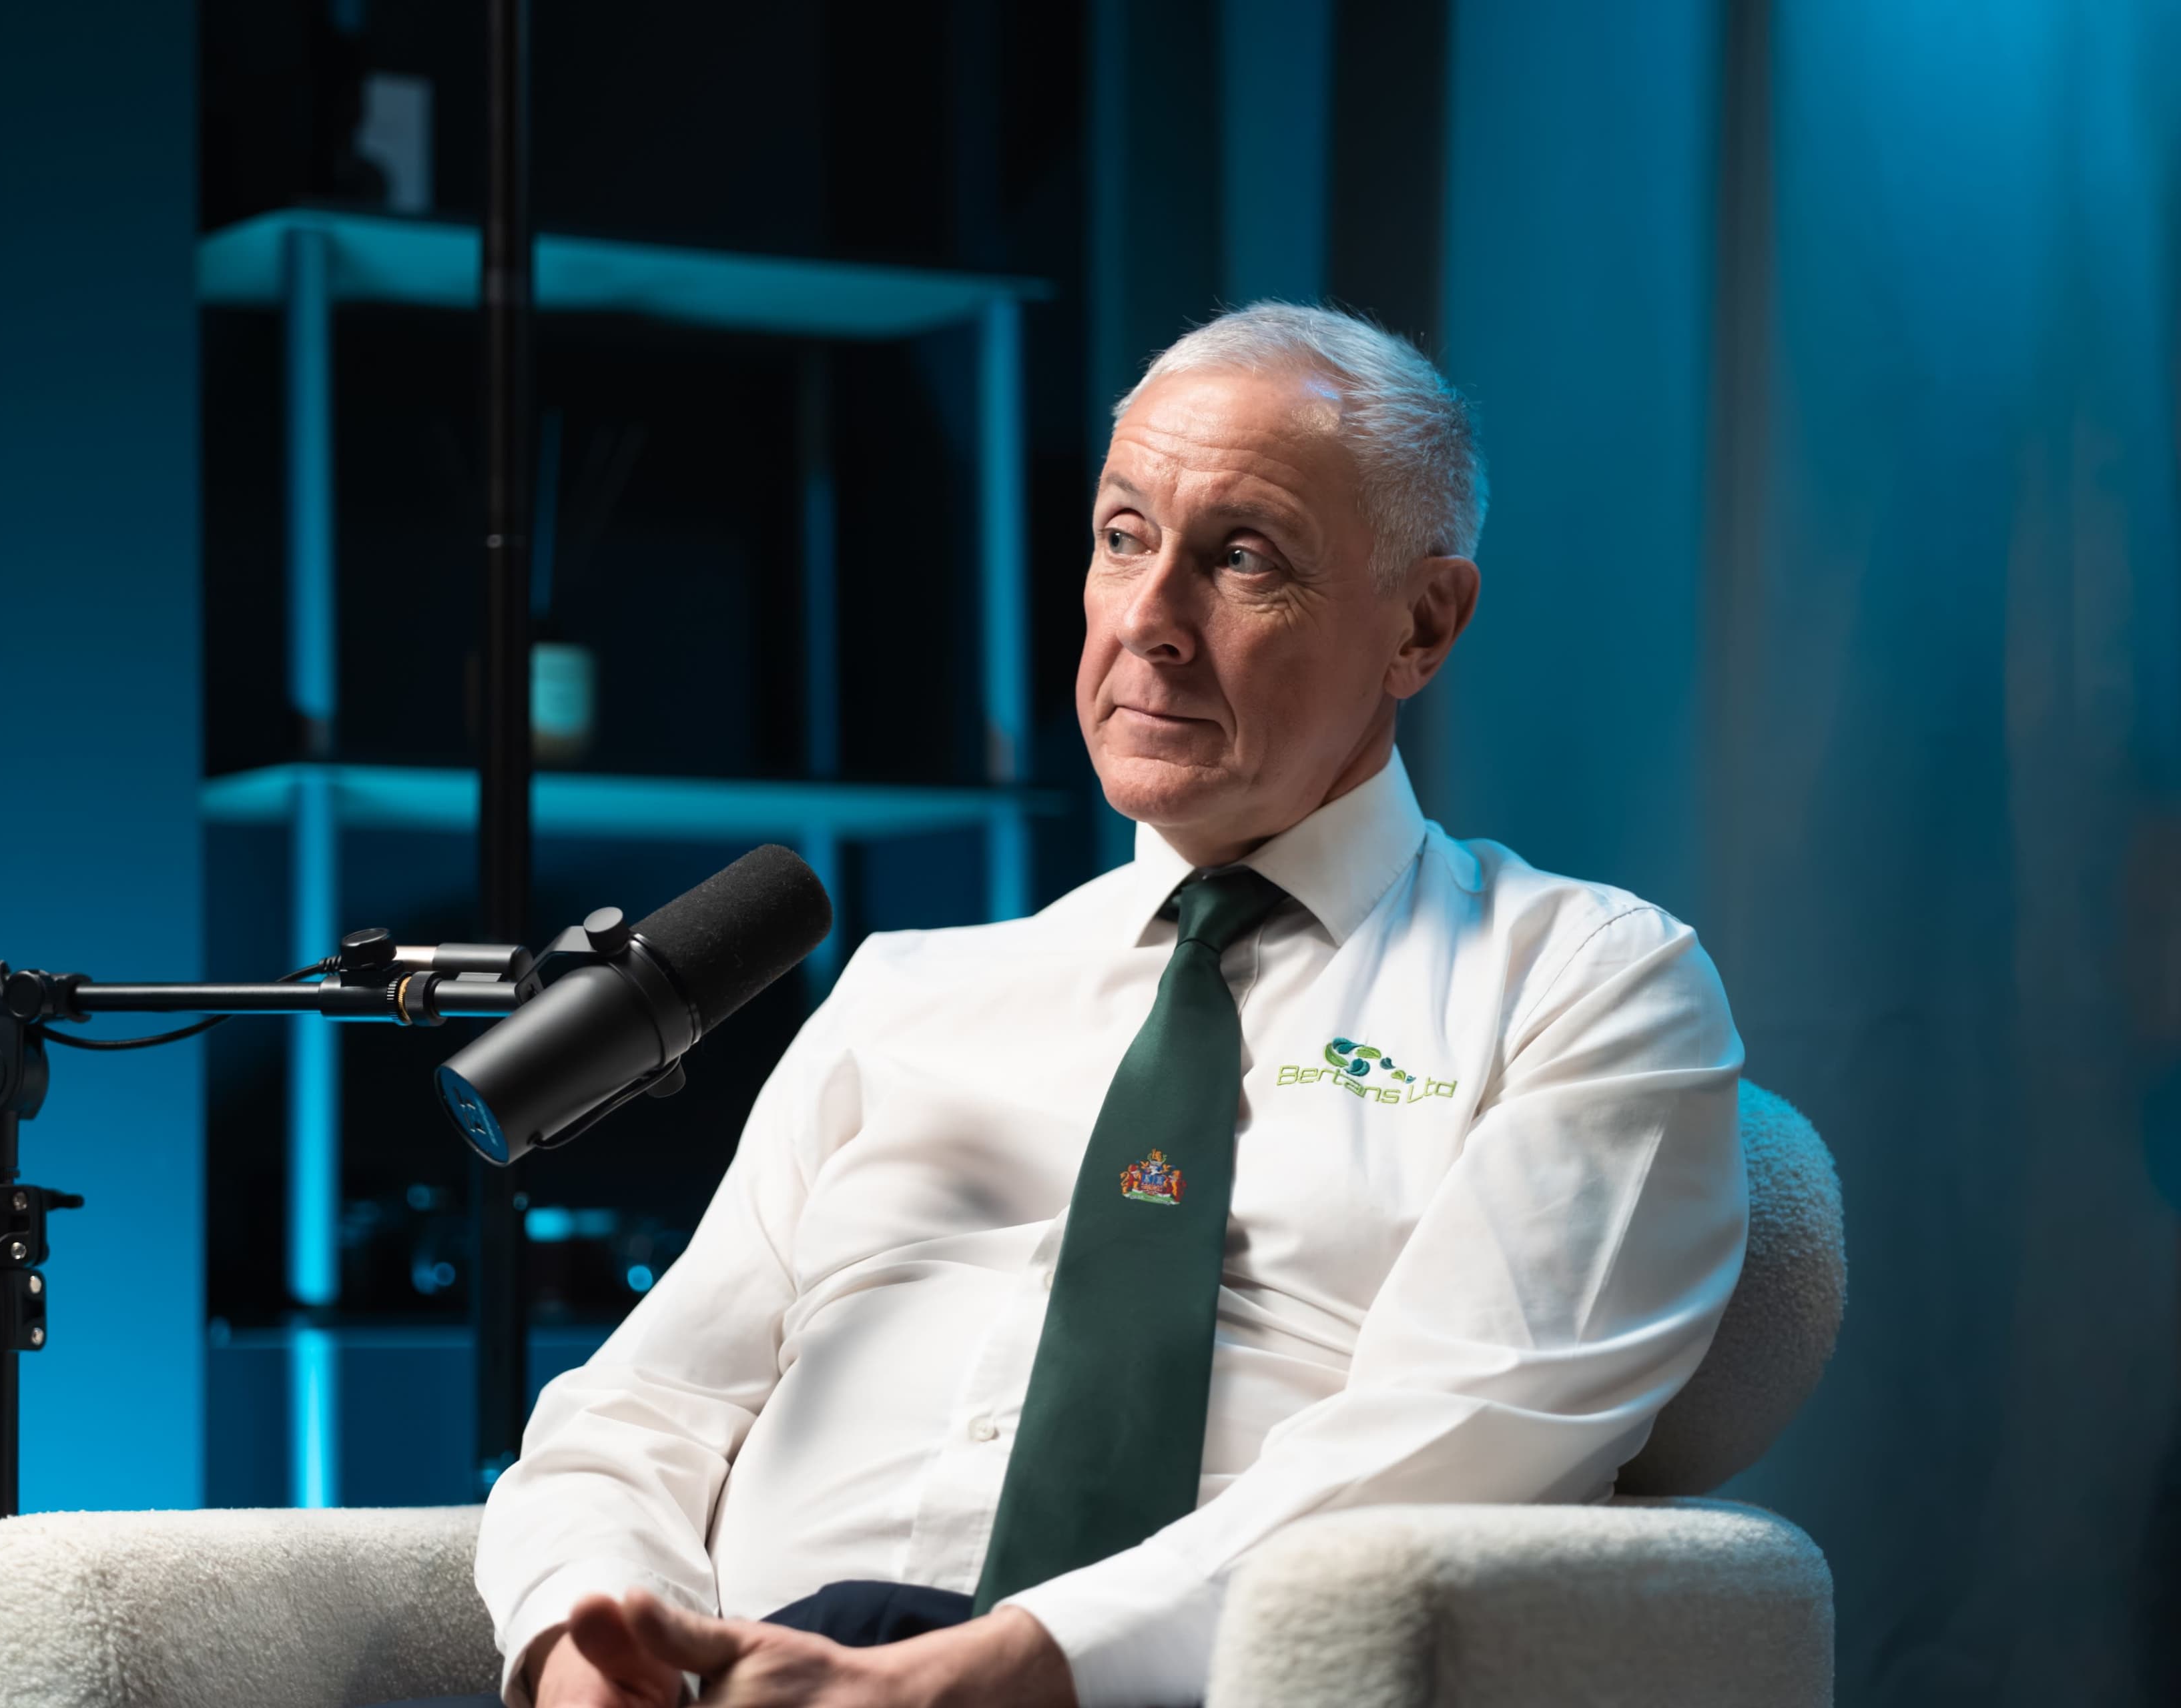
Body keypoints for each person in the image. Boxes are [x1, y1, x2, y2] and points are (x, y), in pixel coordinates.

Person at [474, 303, 1747, 1708]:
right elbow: (641, 1406)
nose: (1148, 621)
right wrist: (587, 1638)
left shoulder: (1580, 983)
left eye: (1242, 557)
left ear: (1423, 623)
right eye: (1123, 535)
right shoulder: (909, 989)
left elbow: (1456, 1442)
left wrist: (1005, 1666)